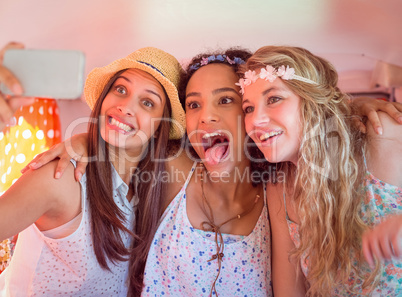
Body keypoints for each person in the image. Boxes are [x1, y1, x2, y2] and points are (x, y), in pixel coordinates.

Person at [0, 46, 186, 296]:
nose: (125, 106)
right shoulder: (61, 177)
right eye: (120, 89)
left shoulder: (153, 191)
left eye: (147, 102)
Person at [240, 45, 402, 296]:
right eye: (248, 108)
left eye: (274, 99)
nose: (255, 120)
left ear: (312, 100)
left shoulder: (382, 136)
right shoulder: (279, 187)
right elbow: (289, 289)